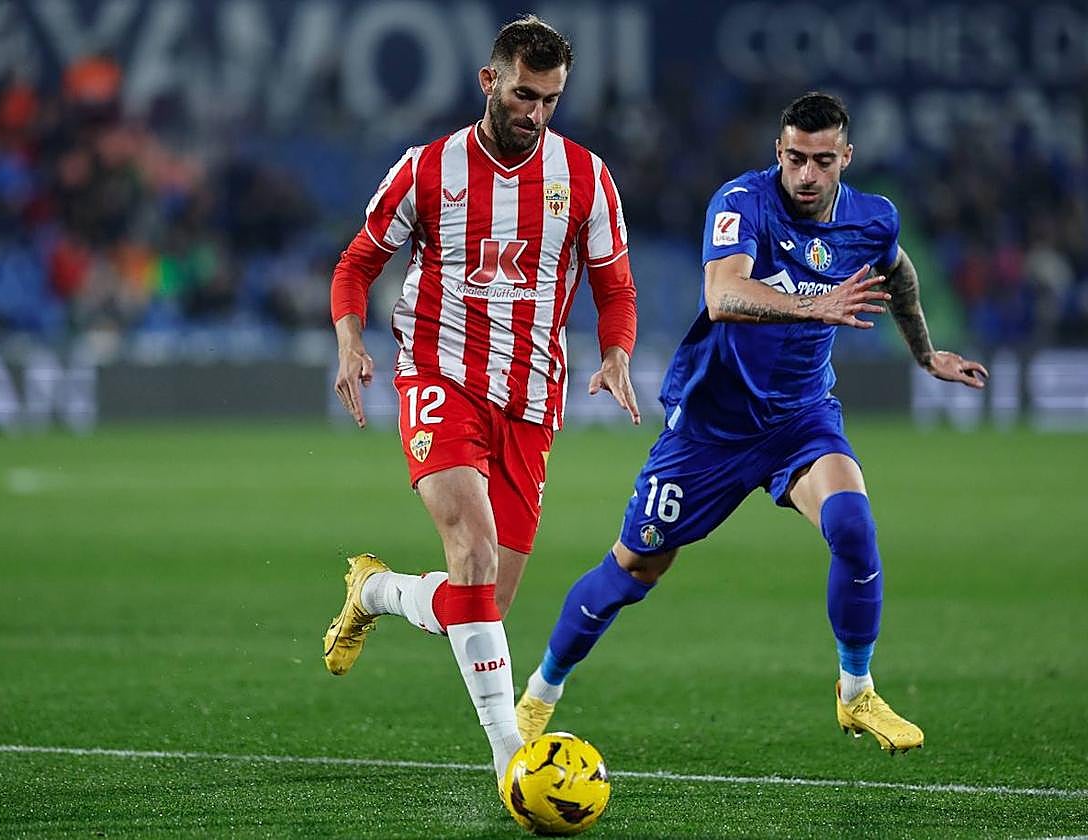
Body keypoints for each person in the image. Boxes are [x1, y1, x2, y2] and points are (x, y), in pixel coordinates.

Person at [514, 91, 990, 755]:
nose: (807, 175)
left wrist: (925, 352)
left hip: (800, 419)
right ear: (779, 152)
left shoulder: (871, 219)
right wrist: (814, 305)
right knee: (634, 570)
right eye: (795, 158)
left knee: (853, 527)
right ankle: (541, 692)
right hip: (711, 429)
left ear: (845, 158)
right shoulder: (742, 203)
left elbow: (899, 273)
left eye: (823, 161)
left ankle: (856, 692)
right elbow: (723, 294)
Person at [323, 15, 641, 786]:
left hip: (532, 399)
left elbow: (615, 287)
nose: (535, 114)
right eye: (524, 94)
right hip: (439, 375)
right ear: (488, 81)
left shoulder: (587, 178)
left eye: (552, 100)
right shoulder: (427, 169)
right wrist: (351, 340)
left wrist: (618, 355)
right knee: (473, 549)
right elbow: (355, 264)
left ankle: (375, 590)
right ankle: (513, 763)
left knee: (483, 600)